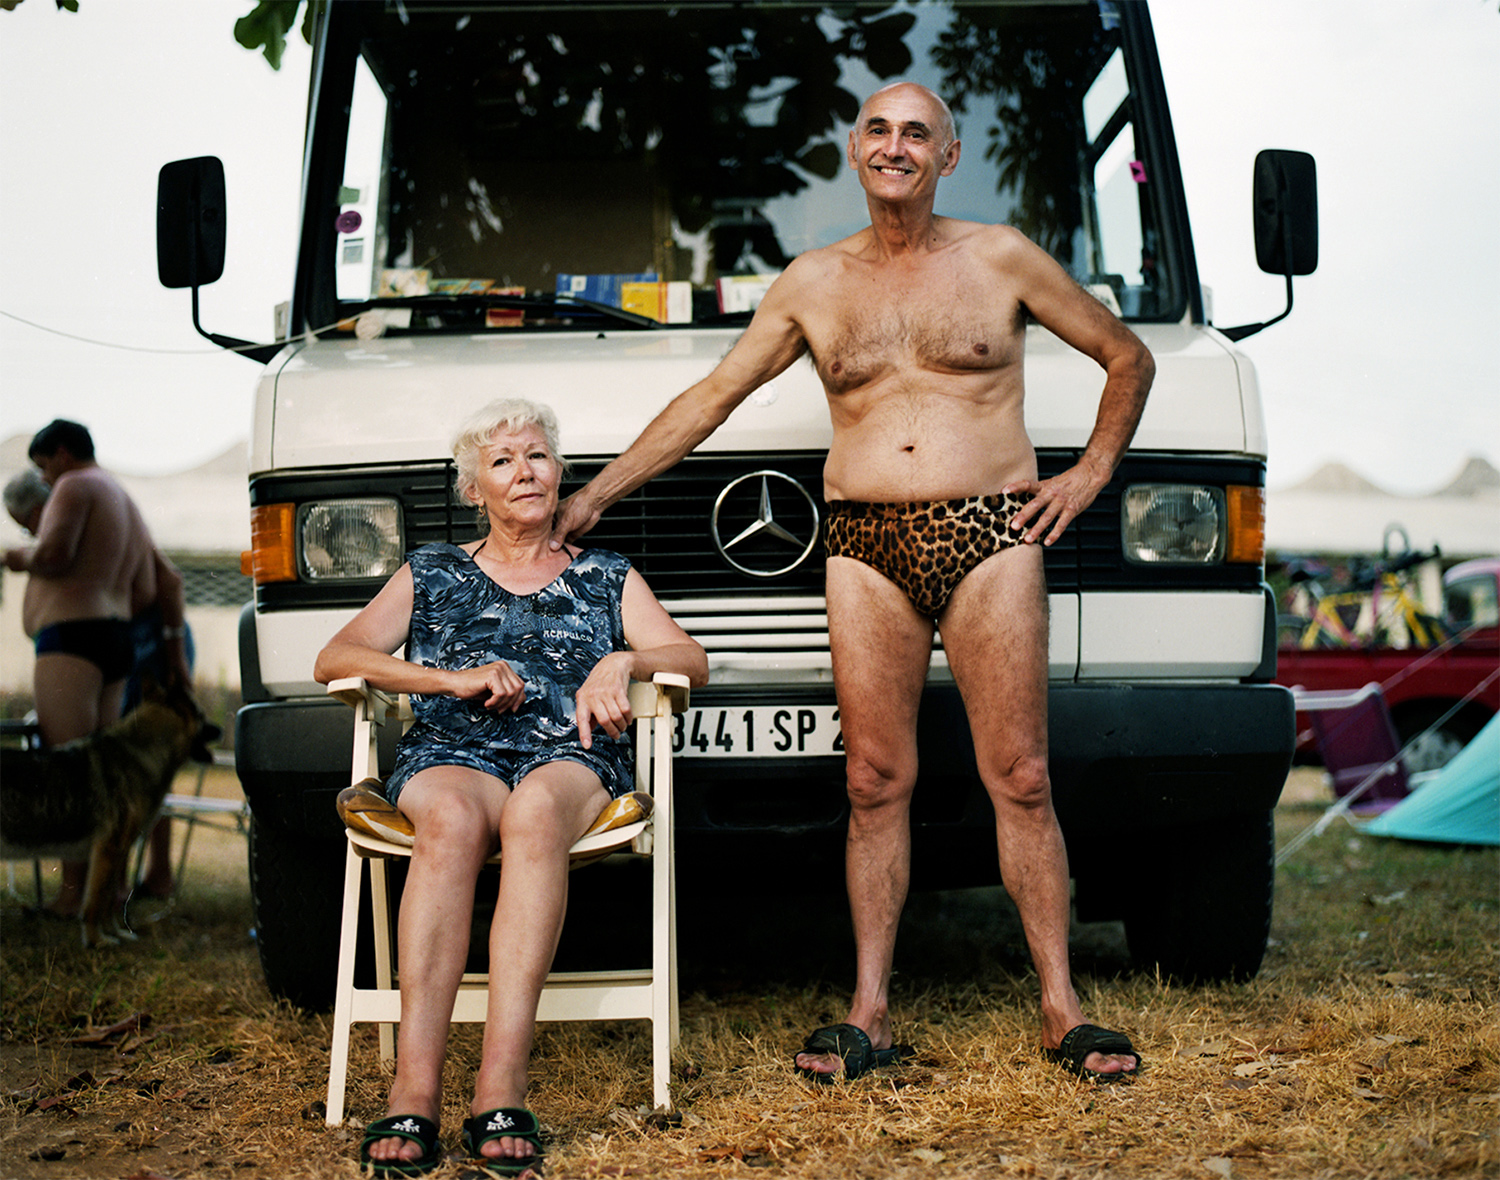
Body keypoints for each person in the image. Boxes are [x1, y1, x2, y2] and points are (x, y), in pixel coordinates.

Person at [553, 82, 1153, 1083]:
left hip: (991, 532)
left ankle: (1063, 1006)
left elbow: (1124, 356)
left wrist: (1086, 477)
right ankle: (868, 1009)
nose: (895, 145)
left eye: (917, 132)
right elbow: (712, 396)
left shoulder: (1001, 258)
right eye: (879, 128)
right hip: (864, 542)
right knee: (875, 782)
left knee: (1022, 776)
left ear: (947, 156)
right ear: (855, 149)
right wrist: (597, 495)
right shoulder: (813, 283)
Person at [315, 398, 707, 1176]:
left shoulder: (604, 575)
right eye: (501, 461)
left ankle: (502, 1078)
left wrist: (621, 662)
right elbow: (337, 657)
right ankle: (414, 1089)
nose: (523, 471)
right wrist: (447, 679)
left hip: (569, 756)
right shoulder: (433, 570)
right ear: (473, 490)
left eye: (537, 455)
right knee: (453, 819)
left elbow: (689, 659)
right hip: (451, 751)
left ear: (560, 473)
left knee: (533, 815)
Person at [4, 419, 189, 916]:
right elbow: (152, 587)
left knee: (71, 776)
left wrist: (14, 557)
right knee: (108, 778)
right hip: (114, 638)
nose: (44, 480)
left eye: (43, 468)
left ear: (62, 454)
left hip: (72, 640)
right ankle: (105, 893)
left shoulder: (75, 484)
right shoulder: (121, 497)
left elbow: (55, 552)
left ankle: (73, 898)